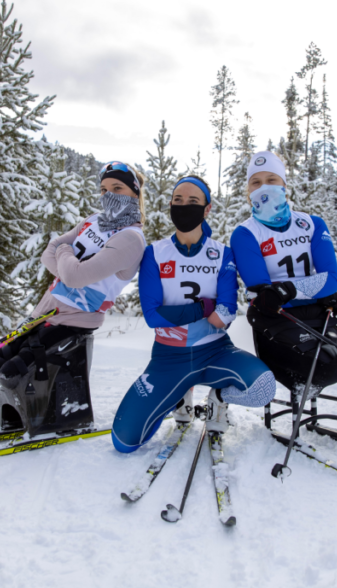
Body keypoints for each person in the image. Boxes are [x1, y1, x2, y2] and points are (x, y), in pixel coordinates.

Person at [0, 162, 147, 431]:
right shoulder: (92, 220)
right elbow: (49, 252)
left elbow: (70, 269)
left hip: (75, 321)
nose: (108, 195)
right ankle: (14, 417)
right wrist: (69, 269)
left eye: (117, 188)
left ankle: (53, 418)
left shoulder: (131, 238)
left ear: (134, 193)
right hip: (45, 310)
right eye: (103, 189)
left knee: (13, 371)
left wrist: (66, 257)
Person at [111, 176, 275, 453]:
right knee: (124, 441)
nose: (184, 206)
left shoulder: (223, 254)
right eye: (178, 201)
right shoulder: (154, 253)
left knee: (263, 388)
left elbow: (225, 313)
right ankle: (179, 396)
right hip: (168, 358)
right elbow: (153, 317)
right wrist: (203, 308)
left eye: (193, 202)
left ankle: (218, 398)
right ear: (171, 205)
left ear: (207, 209)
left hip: (215, 352)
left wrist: (202, 312)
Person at [230, 151, 337, 395]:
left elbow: (331, 279)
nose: (264, 188)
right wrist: (312, 288)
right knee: (321, 366)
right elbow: (265, 293)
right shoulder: (245, 233)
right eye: (255, 182)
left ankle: (308, 382)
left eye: (271, 179)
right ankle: (299, 381)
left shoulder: (312, 224)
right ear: (248, 191)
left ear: (284, 185)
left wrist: (289, 289)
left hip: (315, 314)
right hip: (276, 316)